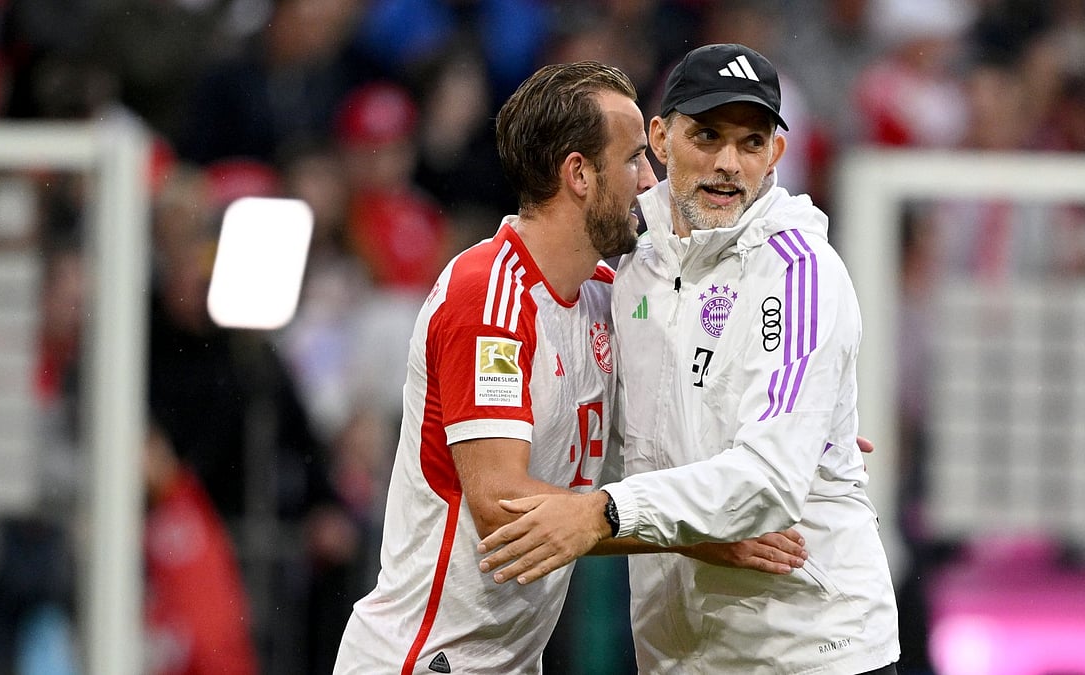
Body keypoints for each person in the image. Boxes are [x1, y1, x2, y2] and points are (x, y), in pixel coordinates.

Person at [332, 60, 812, 675]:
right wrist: (699, 533)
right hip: (425, 659)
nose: (650, 180)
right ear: (579, 174)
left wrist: (787, 414)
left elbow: (687, 391)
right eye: (635, 158)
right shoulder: (490, 300)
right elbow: (503, 508)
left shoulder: (606, 293)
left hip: (511, 661)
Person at [477, 44, 901, 674]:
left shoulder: (800, 273)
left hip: (808, 649)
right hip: (675, 653)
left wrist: (607, 512)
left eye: (751, 142)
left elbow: (770, 478)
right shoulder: (628, 264)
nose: (728, 164)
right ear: (660, 138)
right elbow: (619, 443)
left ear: (776, 155)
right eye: (706, 135)